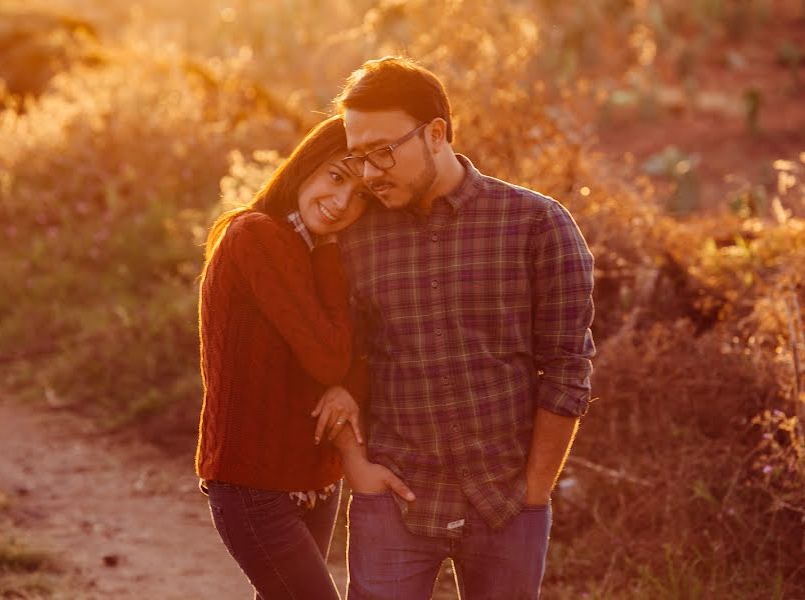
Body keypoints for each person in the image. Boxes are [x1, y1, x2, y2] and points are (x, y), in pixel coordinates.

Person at [331, 57, 596, 600]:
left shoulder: (536, 225)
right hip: (395, 495)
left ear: (435, 134)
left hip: (506, 500)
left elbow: (567, 367)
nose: (371, 172)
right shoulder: (355, 238)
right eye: (359, 157)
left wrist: (534, 492)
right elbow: (330, 358)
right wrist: (356, 466)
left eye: (383, 150)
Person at [195, 115, 410, 600]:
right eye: (337, 177)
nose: (341, 204)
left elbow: (359, 346)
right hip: (252, 483)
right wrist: (331, 252)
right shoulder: (257, 236)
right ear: (307, 165)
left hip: (315, 476)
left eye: (361, 197)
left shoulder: (309, 246)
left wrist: (346, 390)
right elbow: (331, 355)